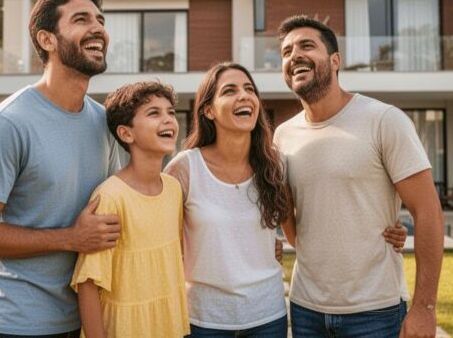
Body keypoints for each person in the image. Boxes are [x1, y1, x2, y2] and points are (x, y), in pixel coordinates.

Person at [165, 62, 408, 337]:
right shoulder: (185, 168)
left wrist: (382, 228)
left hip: (268, 318)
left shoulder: (275, 164)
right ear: (208, 110)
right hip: (205, 319)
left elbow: (309, 214)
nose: (244, 96)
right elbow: (164, 243)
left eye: (249, 89)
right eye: (229, 91)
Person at [0, 0, 122, 338]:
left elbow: (111, 215)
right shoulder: (8, 123)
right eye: (81, 19)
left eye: (100, 20)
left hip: (79, 316)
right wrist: (70, 238)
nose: (97, 28)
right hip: (16, 321)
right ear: (47, 39)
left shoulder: (103, 123)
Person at [273, 15, 445, 338]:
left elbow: (428, 212)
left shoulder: (384, 120)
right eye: (286, 51)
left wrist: (425, 307)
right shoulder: (282, 136)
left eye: (306, 46)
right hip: (306, 310)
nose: (294, 55)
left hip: (375, 311)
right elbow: (293, 227)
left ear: (335, 61)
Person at [72, 81, 189, 338]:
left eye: (170, 112)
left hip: (166, 327)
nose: (168, 119)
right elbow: (88, 284)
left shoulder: (173, 189)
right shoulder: (110, 197)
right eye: (154, 113)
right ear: (126, 134)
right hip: (125, 328)